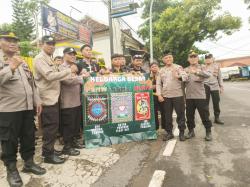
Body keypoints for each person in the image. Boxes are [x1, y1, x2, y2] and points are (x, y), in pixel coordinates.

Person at [0, 32, 46, 187]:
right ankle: (11, 170)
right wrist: (10, 68)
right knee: (9, 141)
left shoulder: (23, 61)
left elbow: (32, 83)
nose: (13, 43)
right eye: (8, 40)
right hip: (8, 110)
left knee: (28, 136)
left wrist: (37, 100)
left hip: (27, 108)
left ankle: (29, 163)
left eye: (15, 40)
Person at [34, 35, 78, 164]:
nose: (52, 46)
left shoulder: (50, 58)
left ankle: (49, 150)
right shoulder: (39, 58)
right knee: (50, 127)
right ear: (42, 44)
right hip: (47, 98)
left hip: (54, 97)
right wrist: (69, 71)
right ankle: (48, 155)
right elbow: (49, 76)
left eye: (53, 44)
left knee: (53, 126)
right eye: (49, 43)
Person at [59, 47, 86, 155]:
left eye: (74, 54)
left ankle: (73, 142)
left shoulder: (75, 67)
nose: (72, 56)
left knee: (75, 125)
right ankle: (67, 147)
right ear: (64, 55)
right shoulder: (61, 67)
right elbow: (67, 81)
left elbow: (77, 78)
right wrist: (82, 78)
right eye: (70, 54)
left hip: (77, 101)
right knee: (68, 126)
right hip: (67, 102)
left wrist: (81, 76)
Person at [156, 51, 187, 141]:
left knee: (180, 114)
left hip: (178, 95)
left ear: (172, 58)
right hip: (166, 96)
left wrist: (178, 76)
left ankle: (181, 132)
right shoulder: (161, 70)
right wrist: (159, 95)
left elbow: (186, 77)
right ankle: (169, 133)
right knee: (167, 116)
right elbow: (158, 84)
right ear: (163, 60)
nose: (168, 59)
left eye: (170, 57)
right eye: (166, 58)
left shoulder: (178, 67)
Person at [184, 51, 213, 141]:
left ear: (197, 58)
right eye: (191, 57)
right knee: (189, 115)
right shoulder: (185, 69)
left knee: (204, 115)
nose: (193, 58)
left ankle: (208, 132)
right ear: (188, 59)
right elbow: (182, 81)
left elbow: (208, 75)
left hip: (200, 95)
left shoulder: (203, 67)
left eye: (195, 57)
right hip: (189, 96)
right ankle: (191, 131)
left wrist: (196, 72)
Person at [204, 53, 224, 124]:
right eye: (206, 58)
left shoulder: (217, 66)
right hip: (205, 86)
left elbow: (220, 77)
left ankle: (217, 118)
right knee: (205, 103)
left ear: (212, 59)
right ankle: (206, 119)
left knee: (216, 103)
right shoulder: (202, 67)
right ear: (205, 60)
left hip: (215, 86)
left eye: (209, 58)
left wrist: (221, 87)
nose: (208, 59)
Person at [149, 62, 166, 131]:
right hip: (152, 96)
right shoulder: (148, 76)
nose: (154, 68)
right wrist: (150, 87)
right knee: (154, 111)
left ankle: (165, 126)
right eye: (152, 67)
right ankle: (155, 127)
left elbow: (165, 83)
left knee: (163, 111)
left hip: (162, 95)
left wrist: (156, 86)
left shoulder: (162, 74)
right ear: (150, 68)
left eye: (156, 66)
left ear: (158, 67)